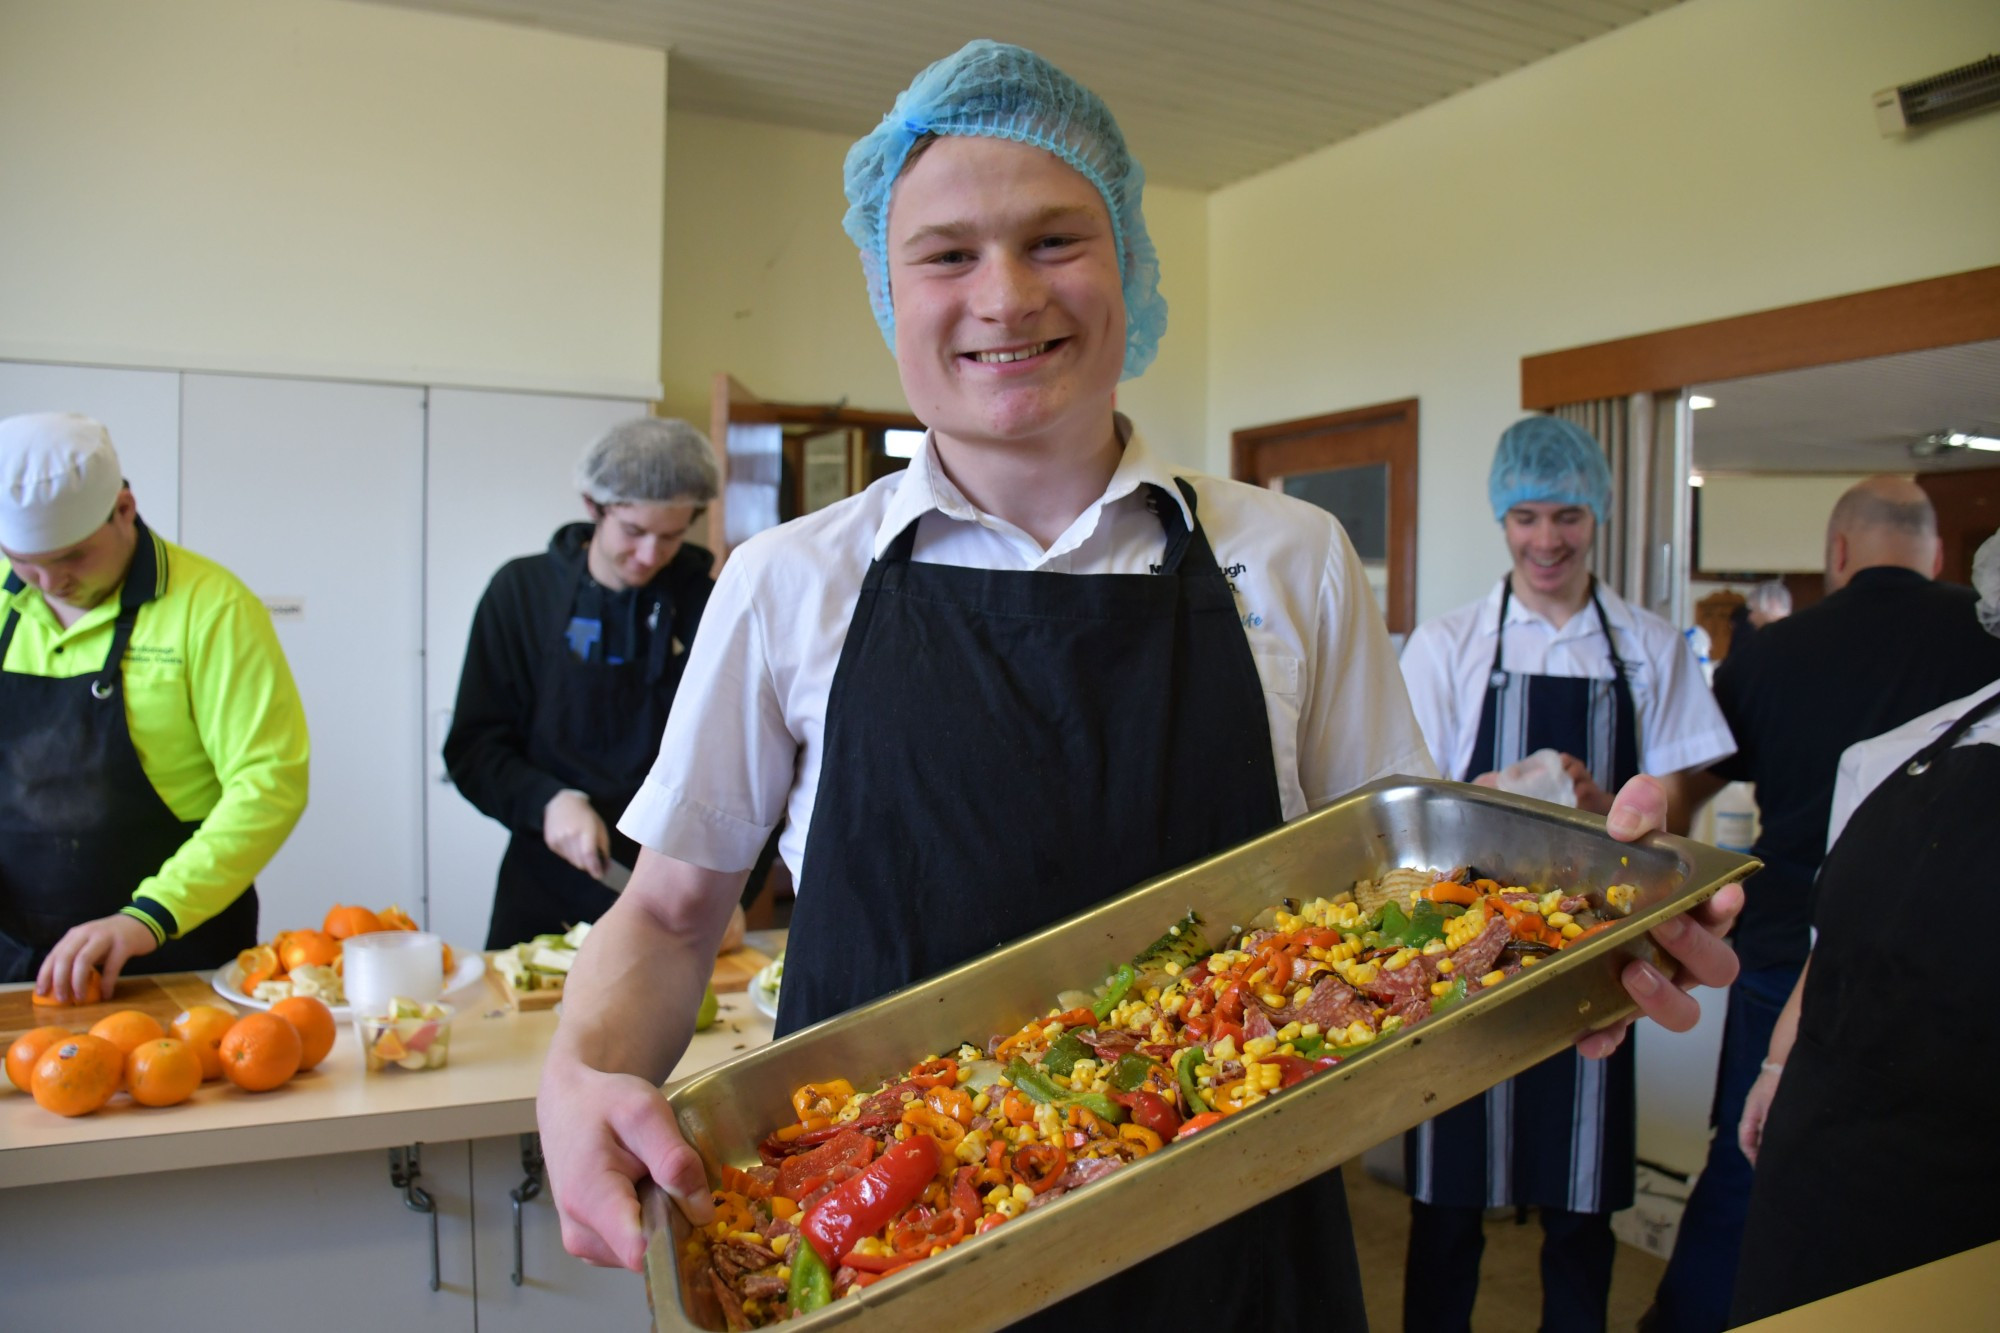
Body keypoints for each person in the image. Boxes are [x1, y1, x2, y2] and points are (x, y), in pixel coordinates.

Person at [534, 41, 1742, 1328]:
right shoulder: (787, 580)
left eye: (1054, 240)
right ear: (890, 296)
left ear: (1127, 269)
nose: (1001, 296)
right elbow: (668, 919)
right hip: (884, 1247)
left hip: (1233, 1253)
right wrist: (579, 1070)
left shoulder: (1288, 559)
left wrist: (1572, 942)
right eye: (946, 254)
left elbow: (1405, 911)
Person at [1396, 415, 1737, 1333]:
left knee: (1581, 1209)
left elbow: (1676, 822)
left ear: (1599, 516)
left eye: (1568, 517)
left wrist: (1600, 812)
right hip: (1463, 963)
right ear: (1501, 521)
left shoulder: (1652, 648)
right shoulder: (1449, 645)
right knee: (1445, 1208)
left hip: (1594, 960)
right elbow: (1410, 814)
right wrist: (1503, 790)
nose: (1547, 540)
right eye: (1527, 518)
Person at [1644, 477, 2000, 1333]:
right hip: (1953, 995)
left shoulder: (1773, 649)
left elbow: (1694, 782)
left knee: (1746, 1171)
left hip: (1788, 956)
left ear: (1835, 553)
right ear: (1941, 556)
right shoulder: (1973, 648)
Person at [0, 412, 309, 999]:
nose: (48, 582)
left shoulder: (212, 608)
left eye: (72, 557)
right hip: (12, 954)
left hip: (168, 950)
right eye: (24, 560)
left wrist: (147, 917)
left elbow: (269, 784)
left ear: (124, 508)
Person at [444, 417, 742, 951]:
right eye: (634, 531)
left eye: (671, 537)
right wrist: (547, 800)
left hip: (677, 891)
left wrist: (733, 888)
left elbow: (743, 763)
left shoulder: (712, 608)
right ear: (593, 505)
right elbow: (474, 746)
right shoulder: (521, 594)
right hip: (542, 888)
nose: (650, 555)